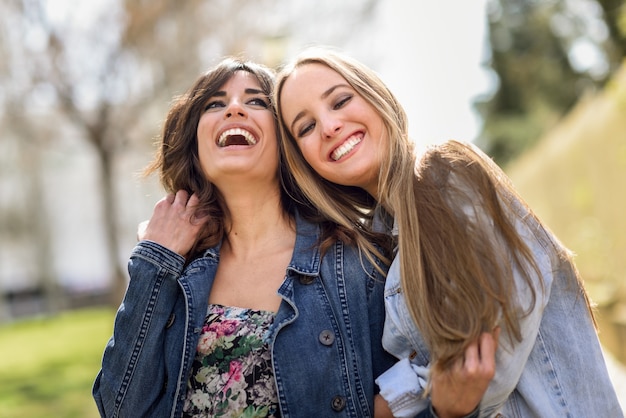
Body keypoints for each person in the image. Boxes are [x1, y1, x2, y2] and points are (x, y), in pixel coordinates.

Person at [92, 57, 495, 418]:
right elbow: (120, 408)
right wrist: (155, 261)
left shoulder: (358, 262)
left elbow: (414, 394)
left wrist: (450, 412)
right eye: (215, 104)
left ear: (287, 142)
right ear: (195, 148)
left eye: (255, 102)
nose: (234, 107)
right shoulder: (174, 272)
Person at [275, 47, 623, 418]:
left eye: (340, 100)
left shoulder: (443, 175)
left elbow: (483, 358)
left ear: (375, 97)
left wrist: (401, 403)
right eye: (306, 127)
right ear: (304, 162)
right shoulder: (382, 244)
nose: (329, 127)